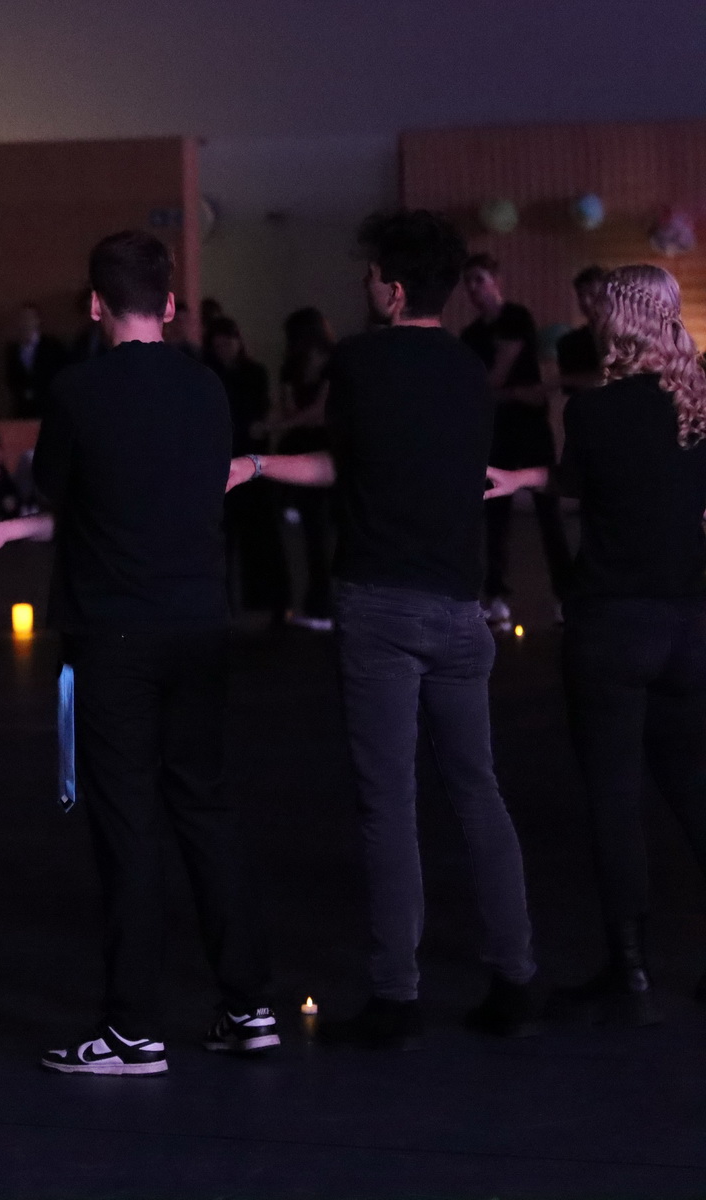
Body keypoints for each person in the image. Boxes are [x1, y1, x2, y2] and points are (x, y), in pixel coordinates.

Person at [0, 232, 276, 1076]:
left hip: (115, 631)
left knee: (127, 822)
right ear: (169, 303)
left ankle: (133, 1027)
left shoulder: (79, 391)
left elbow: (65, 495)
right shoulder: (206, 389)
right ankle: (248, 1005)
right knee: (206, 809)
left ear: (96, 304)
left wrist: (7, 529)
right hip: (200, 622)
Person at [226, 210, 538, 1046]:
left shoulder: (361, 362)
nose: (363, 285)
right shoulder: (469, 370)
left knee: (388, 804)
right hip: (459, 603)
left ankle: (397, 996)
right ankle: (516, 977)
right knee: (479, 791)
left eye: (370, 275)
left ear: (394, 291)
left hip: (379, 604)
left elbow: (341, 465)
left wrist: (253, 464)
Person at [486, 265, 706, 1026]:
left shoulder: (595, 409)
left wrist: (521, 477)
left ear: (620, 321)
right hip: (689, 623)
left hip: (613, 625)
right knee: (692, 786)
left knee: (614, 799)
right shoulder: (698, 402)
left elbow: (583, 481)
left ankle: (629, 967)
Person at [460, 253, 571, 627]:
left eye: (479, 279)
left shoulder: (515, 318)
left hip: (530, 428)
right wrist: (515, 394)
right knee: (496, 513)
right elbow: (478, 389)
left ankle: (565, 595)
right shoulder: (471, 335)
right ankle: (497, 595)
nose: (473, 288)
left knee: (548, 511)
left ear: (496, 279)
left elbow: (494, 378)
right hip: (496, 430)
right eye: (468, 282)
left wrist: (498, 393)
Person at [206, 316, 288, 626]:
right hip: (235, 458)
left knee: (256, 535)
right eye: (219, 345)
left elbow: (259, 412)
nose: (224, 349)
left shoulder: (242, 373)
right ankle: (239, 604)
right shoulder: (224, 373)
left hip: (241, 459)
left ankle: (266, 603)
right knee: (231, 537)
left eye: (227, 342)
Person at [270, 307, 337, 630]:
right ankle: (318, 603)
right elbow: (296, 411)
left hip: (322, 448)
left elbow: (319, 413)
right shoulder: (292, 367)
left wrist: (281, 425)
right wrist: (288, 422)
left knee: (320, 534)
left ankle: (323, 604)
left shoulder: (332, 364)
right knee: (315, 535)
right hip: (306, 446)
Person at [4, 303, 66, 418]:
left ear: (38, 320)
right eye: (23, 318)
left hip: (48, 408)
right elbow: (11, 379)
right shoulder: (13, 351)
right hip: (23, 411)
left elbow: (59, 375)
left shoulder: (52, 346)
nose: (26, 322)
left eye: (29, 318)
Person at [556, 266, 607, 395]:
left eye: (592, 294)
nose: (586, 301)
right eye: (581, 295)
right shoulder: (568, 343)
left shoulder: (628, 337)